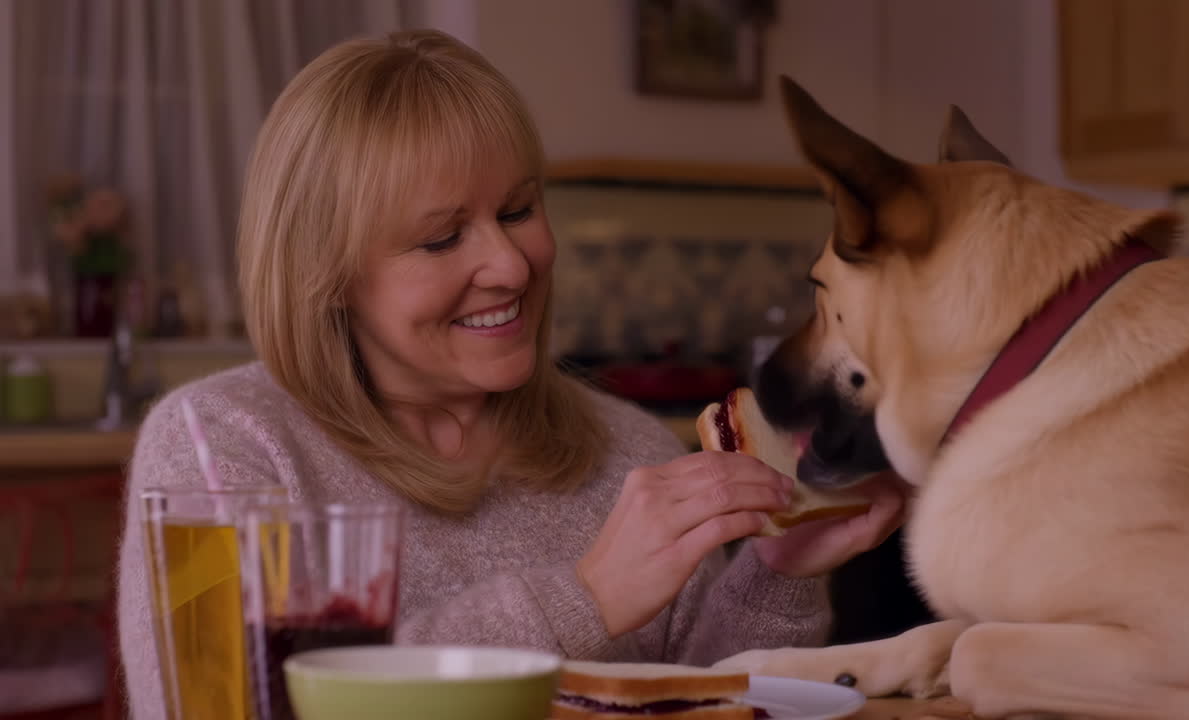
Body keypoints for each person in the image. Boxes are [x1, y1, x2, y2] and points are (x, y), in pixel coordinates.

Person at [115, 28, 908, 717]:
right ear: (325, 275)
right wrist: (585, 598)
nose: (510, 263)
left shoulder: (626, 447)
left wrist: (775, 572)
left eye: (519, 210)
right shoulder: (218, 448)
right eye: (441, 238)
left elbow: (701, 696)